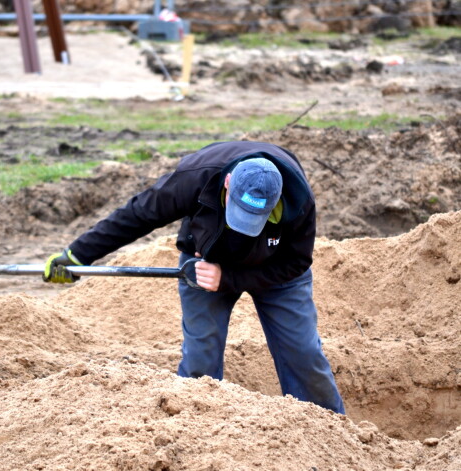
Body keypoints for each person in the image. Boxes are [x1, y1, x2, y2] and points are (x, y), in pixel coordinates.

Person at [43, 140, 345, 414]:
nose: (243, 226)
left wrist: (228, 279)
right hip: (205, 262)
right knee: (200, 358)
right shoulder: (197, 177)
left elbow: (297, 262)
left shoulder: (299, 200)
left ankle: (329, 430)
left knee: (304, 354)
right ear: (227, 183)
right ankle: (193, 434)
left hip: (274, 269)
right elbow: (137, 215)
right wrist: (77, 255)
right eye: (239, 212)